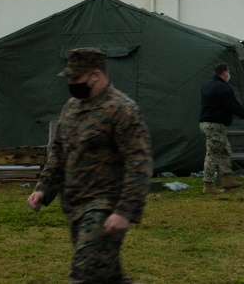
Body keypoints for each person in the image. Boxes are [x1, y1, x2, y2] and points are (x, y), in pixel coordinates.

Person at [28, 48, 153, 283]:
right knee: (106, 276)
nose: (72, 83)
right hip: (75, 207)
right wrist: (43, 188)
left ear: (96, 75)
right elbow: (59, 151)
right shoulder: (72, 107)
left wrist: (125, 210)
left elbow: (139, 162)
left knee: (84, 273)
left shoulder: (122, 109)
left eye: (77, 78)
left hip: (104, 208)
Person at [199, 62, 244, 193]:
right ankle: (208, 185)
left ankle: (228, 178)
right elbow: (233, 105)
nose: (229, 75)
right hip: (215, 125)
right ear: (225, 73)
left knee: (225, 150)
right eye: (228, 72)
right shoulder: (223, 88)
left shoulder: (206, 86)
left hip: (206, 124)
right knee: (212, 153)